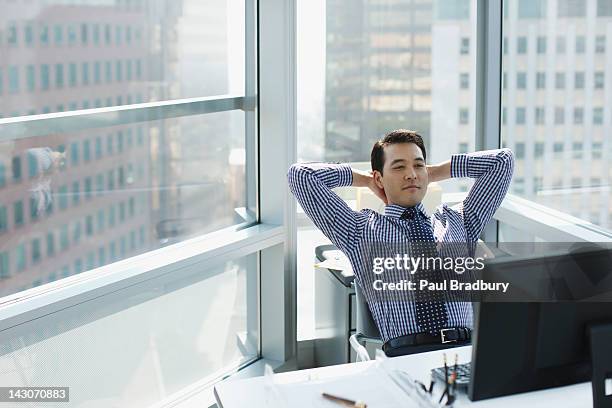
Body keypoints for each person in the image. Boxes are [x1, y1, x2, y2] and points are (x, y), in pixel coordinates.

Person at [287, 129, 514, 356]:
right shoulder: (359, 231)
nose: (411, 174)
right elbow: (301, 176)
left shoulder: (460, 222)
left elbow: (502, 161)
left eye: (418, 165)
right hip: (404, 356)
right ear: (379, 177)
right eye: (398, 167)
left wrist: (432, 173)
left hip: (465, 351)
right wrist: (366, 180)